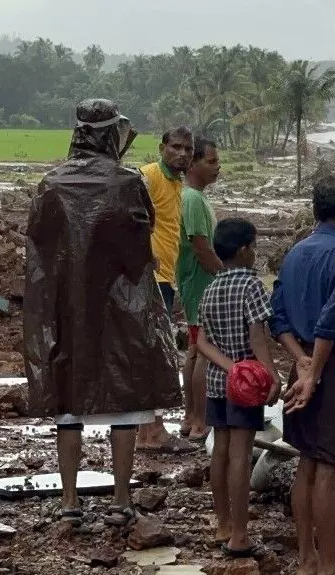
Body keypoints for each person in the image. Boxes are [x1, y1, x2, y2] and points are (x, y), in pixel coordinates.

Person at [24, 99, 180, 526]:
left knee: (69, 403)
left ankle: (69, 500)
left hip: (67, 307)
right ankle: (121, 499)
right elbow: (140, 246)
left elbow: (39, 251)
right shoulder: (127, 183)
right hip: (118, 309)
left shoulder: (51, 184)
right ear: (114, 133)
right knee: (124, 401)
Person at [271, 175, 335, 575]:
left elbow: (278, 315)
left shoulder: (295, 254)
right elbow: (333, 316)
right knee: (329, 467)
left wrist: (303, 362)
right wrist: (316, 373)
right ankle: (328, 566)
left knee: (307, 462)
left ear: (315, 209)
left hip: (304, 361)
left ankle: (306, 558)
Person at [196, 218, 280, 558]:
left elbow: (201, 341)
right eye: (254, 246)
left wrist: (230, 368)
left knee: (220, 451)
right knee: (241, 456)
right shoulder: (251, 286)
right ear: (245, 250)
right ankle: (241, 536)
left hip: (218, 382)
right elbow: (257, 335)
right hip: (245, 389)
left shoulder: (211, 288)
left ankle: (223, 524)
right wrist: (268, 374)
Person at [136, 127, 192, 450]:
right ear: (162, 147)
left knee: (153, 353)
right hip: (151, 279)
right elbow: (130, 220)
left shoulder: (176, 184)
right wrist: (146, 253)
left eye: (187, 149)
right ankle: (154, 430)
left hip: (166, 279)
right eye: (176, 147)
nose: (182, 154)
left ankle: (147, 431)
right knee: (155, 353)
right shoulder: (149, 176)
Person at [178, 138, 225, 441]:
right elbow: (201, 246)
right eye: (210, 161)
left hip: (194, 284)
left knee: (195, 350)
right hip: (201, 283)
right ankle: (199, 420)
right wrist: (225, 277)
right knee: (204, 352)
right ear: (192, 163)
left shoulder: (191, 197)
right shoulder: (193, 199)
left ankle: (189, 417)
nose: (217, 167)